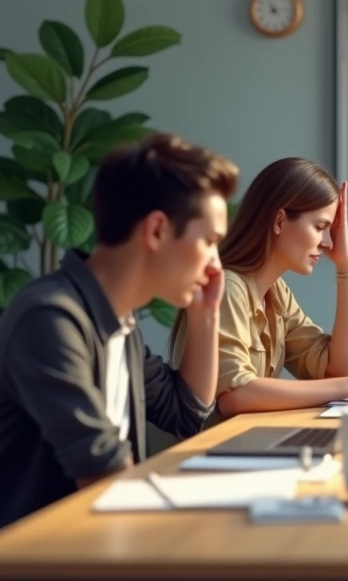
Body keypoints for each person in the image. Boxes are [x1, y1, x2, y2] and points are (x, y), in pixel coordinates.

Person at [0, 134, 238, 528]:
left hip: (100, 541)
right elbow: (103, 471)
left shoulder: (119, 323)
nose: (216, 264)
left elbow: (186, 413)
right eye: (210, 241)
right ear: (157, 230)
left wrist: (206, 314)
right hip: (42, 556)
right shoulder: (50, 320)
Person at [170, 158, 348, 421]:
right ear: (280, 221)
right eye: (319, 227)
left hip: (245, 442)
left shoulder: (275, 293)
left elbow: (339, 371)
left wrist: (345, 268)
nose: (328, 243)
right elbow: (236, 395)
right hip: (209, 453)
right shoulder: (227, 287)